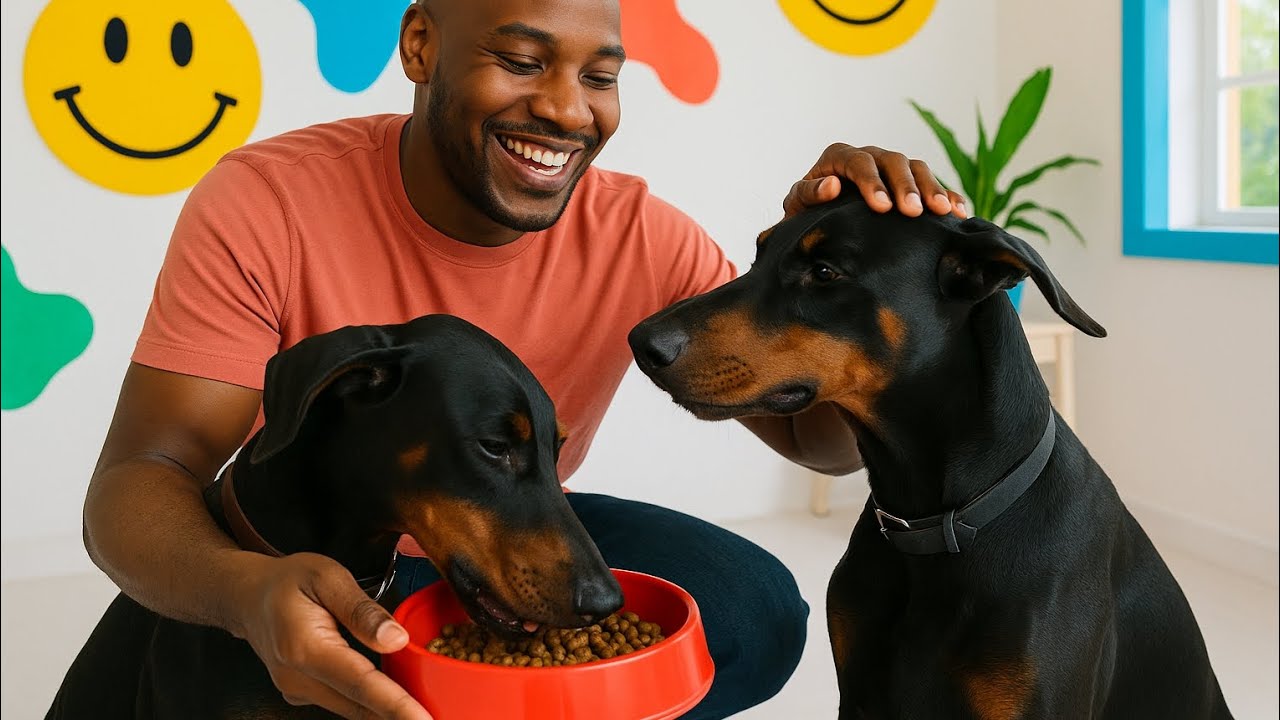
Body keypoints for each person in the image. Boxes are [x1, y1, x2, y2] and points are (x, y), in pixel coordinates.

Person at [81, 1, 966, 718]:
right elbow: (142, 477)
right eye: (521, 59)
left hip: (504, 529)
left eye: (602, 76)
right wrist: (246, 594)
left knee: (748, 612)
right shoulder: (267, 201)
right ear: (422, 44)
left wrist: (840, 262)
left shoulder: (638, 237)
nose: (568, 109)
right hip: (296, 560)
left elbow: (826, 445)